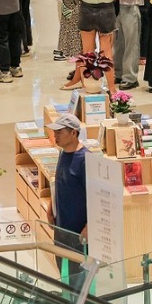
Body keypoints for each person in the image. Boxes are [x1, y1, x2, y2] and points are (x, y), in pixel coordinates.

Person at [46, 114, 88, 287]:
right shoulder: (63, 154)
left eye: (60, 131)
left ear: (73, 133)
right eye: (54, 131)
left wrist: (89, 227)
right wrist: (51, 208)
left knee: (77, 279)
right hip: (61, 228)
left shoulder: (85, 160)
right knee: (64, 276)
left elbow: (94, 196)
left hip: (78, 234)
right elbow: (58, 183)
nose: (55, 135)